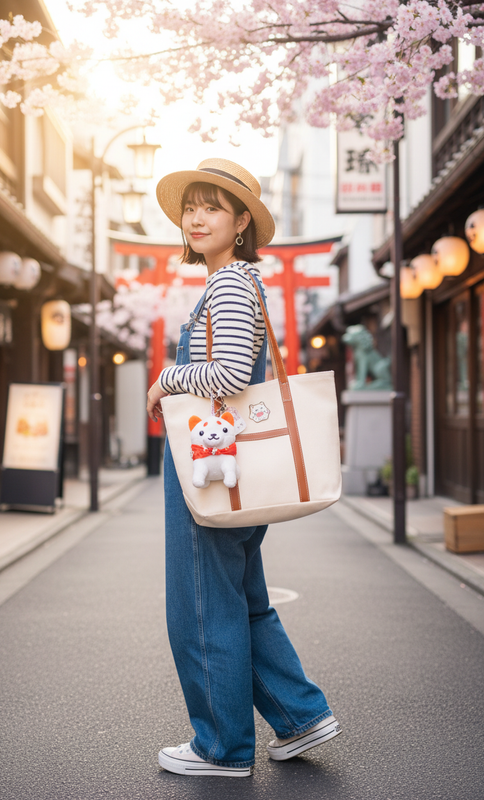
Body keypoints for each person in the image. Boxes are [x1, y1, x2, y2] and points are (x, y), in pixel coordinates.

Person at [146, 159, 341, 778]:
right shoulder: (237, 283)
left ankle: (221, 749)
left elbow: (228, 375)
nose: (196, 217)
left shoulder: (229, 284)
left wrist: (167, 379)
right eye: (190, 207)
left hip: (211, 463)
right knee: (243, 601)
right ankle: (299, 714)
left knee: (201, 605)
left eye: (212, 207)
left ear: (240, 224)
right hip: (230, 461)